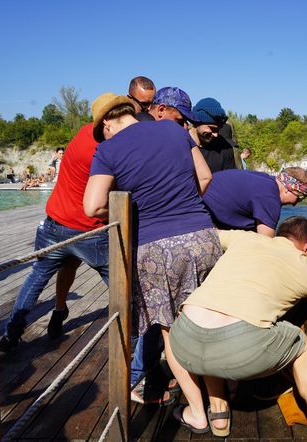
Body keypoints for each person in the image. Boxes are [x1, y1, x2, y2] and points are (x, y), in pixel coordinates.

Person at [168, 217, 307, 440]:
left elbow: (209, 235)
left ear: (280, 235)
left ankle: (206, 412)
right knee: (301, 344)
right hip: (239, 351)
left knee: (193, 323)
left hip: (183, 342)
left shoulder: (245, 239)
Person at [83, 93, 221, 406]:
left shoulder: (107, 150)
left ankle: (198, 410)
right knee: (206, 319)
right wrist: (182, 205)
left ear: (106, 123)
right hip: (203, 236)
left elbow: (93, 206)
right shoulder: (174, 130)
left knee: (170, 332)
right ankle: (220, 404)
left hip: (157, 249)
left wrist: (139, 210)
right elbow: (205, 176)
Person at [0, 123, 109, 353]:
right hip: (89, 231)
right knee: (122, 283)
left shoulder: (83, 133)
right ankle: (140, 339)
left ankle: (12, 333)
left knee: (38, 277)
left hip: (55, 225)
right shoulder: (108, 150)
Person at [128, 86, 199, 402]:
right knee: (151, 318)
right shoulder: (144, 134)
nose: (183, 125)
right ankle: (134, 380)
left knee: (152, 317)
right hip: (149, 239)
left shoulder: (148, 133)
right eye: (180, 118)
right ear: (159, 109)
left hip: (151, 238)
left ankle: (146, 377)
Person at [203, 167, 307, 237]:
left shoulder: (264, 180)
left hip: (197, 204)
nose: (295, 204)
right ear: (289, 189)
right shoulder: (270, 198)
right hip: (203, 217)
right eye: (299, 198)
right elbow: (264, 243)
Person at [189, 98, 237, 173]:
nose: (216, 134)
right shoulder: (181, 144)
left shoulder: (224, 147)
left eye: (218, 129)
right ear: (196, 122)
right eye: (212, 128)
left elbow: (230, 180)